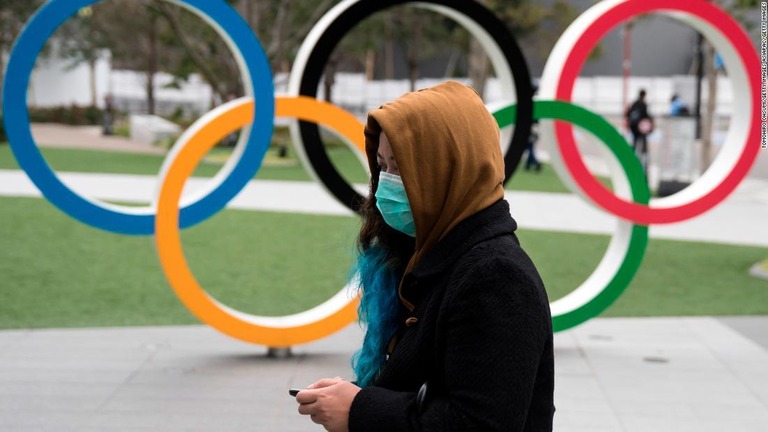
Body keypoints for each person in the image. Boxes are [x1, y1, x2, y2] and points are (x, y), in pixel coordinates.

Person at [295, 81, 555, 431]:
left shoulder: (496, 277)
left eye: (400, 168)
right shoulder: (428, 254)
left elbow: (479, 423)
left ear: (450, 169)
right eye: (381, 165)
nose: (384, 183)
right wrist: (351, 397)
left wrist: (360, 409)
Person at [625, 89, 654, 173]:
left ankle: (633, 155)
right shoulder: (643, 104)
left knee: (635, 141)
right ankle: (642, 157)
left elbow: (628, 114)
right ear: (644, 95)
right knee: (642, 142)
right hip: (640, 126)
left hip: (633, 126)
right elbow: (645, 115)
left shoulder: (634, 103)